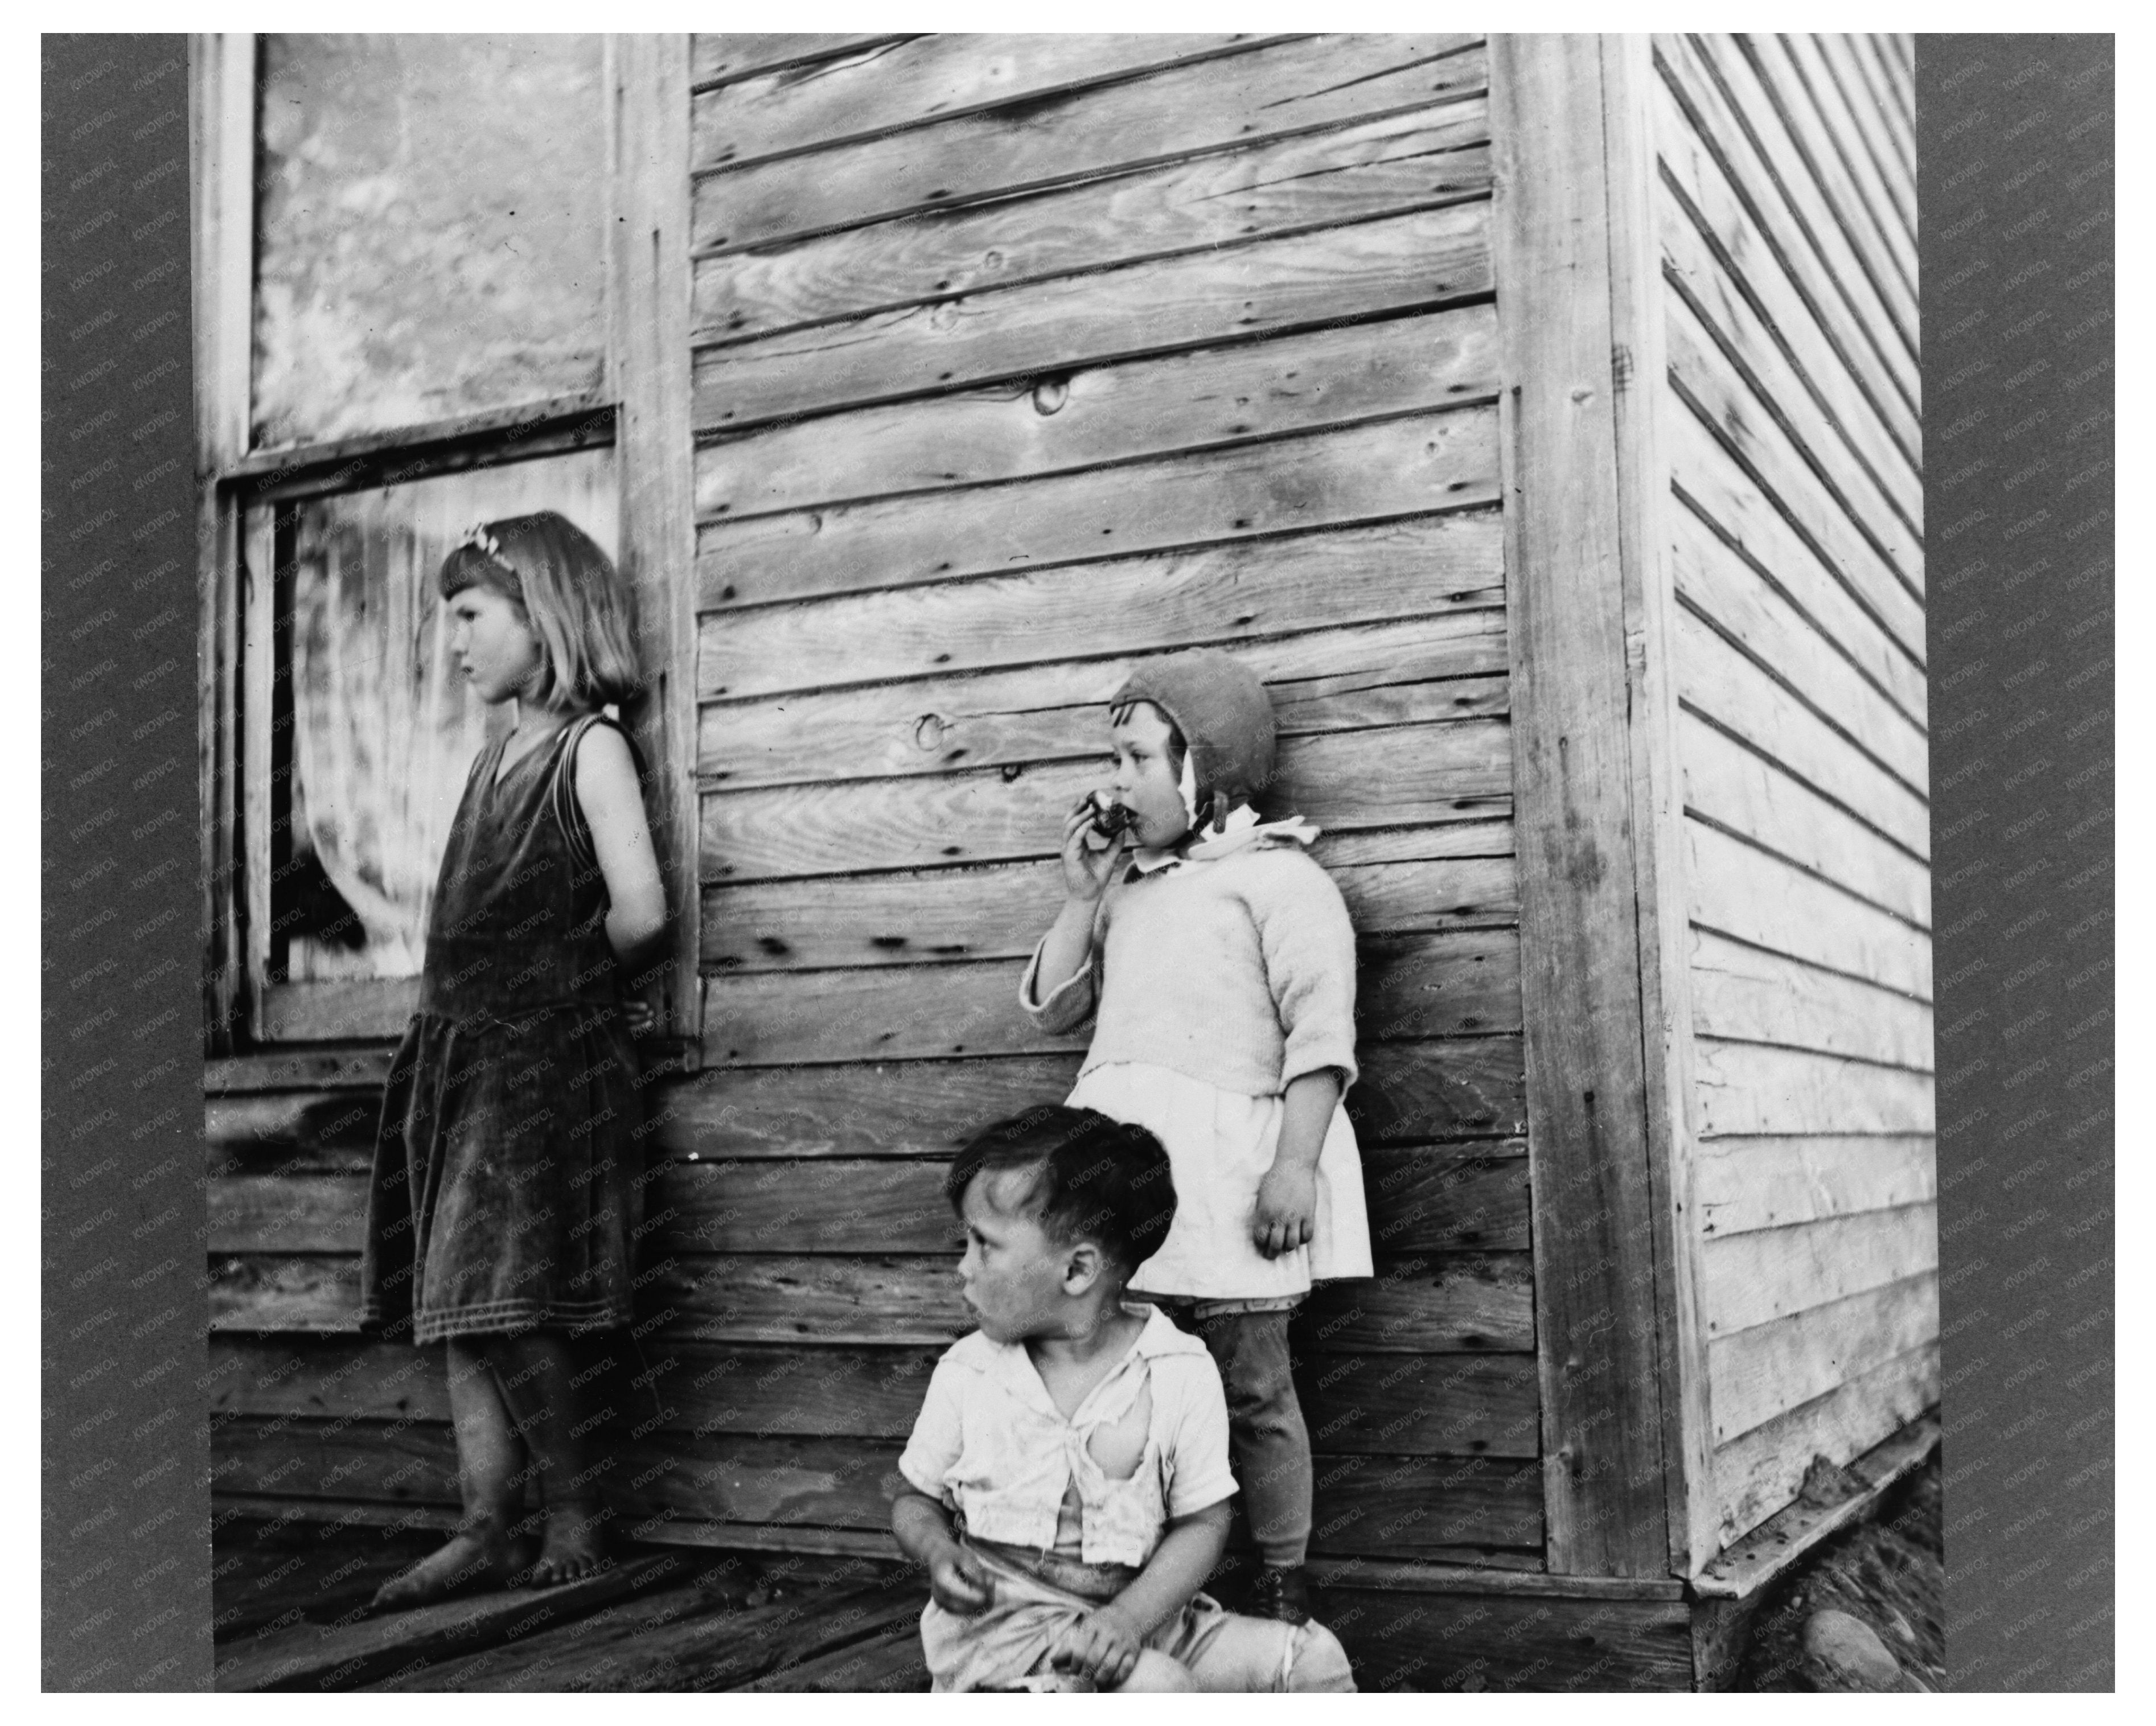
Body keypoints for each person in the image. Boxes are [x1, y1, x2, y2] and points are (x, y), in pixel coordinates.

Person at [1020, 649, 1373, 1625]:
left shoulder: (1278, 881)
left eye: (1136, 759)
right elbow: (1054, 1008)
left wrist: (1293, 1165)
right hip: (1128, 1179)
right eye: (1114, 759)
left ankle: (1284, 1584)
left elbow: (1321, 1036)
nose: (1113, 783)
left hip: (1228, 1176)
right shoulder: (1127, 888)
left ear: (1202, 770)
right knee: (1132, 1384)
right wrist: (1081, 893)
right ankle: (1146, 1581)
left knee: (1254, 1383)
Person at [358, 511, 668, 1609]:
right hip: (463, 1060)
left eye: (472, 615)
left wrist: (555, 980)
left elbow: (641, 912)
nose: (455, 642)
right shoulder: (495, 758)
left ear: (546, 618)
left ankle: (571, 1509)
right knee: (456, 1299)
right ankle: (486, 1523)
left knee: (515, 1298)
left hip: (541, 1060)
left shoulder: (591, 749)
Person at [892, 1106, 1356, 1693]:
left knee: (1313, 1659)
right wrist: (936, 1551)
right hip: (1010, 1645)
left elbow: (1203, 1520)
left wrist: (1126, 1619)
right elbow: (915, 1498)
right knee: (1157, 1688)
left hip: (1147, 1623)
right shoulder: (969, 1373)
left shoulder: (1178, 1371)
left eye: (984, 1244)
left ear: (1079, 1268)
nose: (962, 1267)